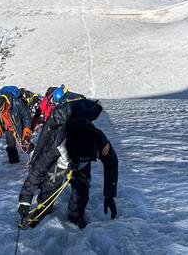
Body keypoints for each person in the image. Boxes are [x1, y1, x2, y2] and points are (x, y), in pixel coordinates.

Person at [18, 95, 118, 228]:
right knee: (51, 183)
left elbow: (111, 163)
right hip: (62, 156)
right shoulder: (56, 144)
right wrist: (25, 201)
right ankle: (42, 210)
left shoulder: (99, 141)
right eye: (78, 160)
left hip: (79, 147)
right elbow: (37, 170)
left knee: (82, 187)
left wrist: (109, 195)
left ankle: (76, 215)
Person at [0, 86, 32, 164]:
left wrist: (26, 129)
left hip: (19, 125)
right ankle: (13, 163)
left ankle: (33, 160)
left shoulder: (16, 102)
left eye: (0, 110)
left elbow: (26, 115)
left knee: (25, 143)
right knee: (10, 145)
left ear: (4, 104)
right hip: (8, 127)